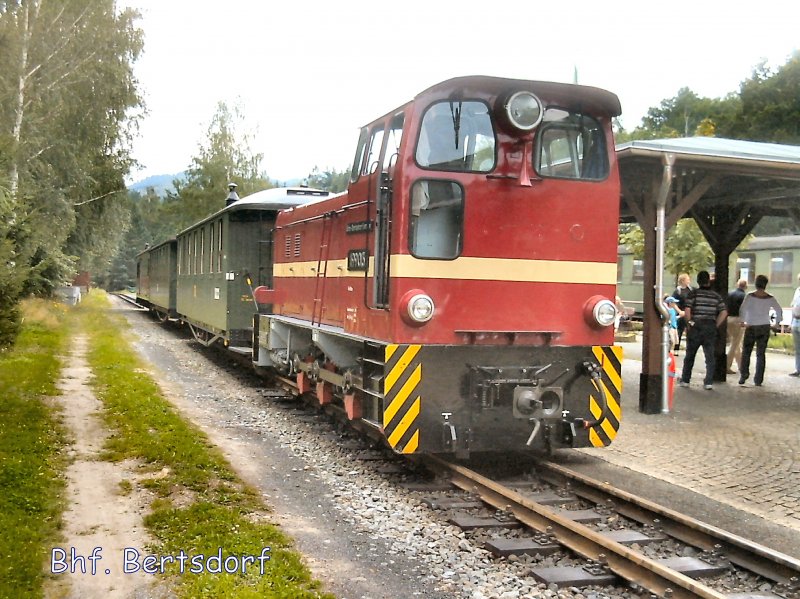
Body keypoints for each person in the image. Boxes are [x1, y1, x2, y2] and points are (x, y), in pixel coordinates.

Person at [679, 271, 727, 390]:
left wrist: (690, 323)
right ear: (708, 281)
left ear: (699, 281)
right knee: (710, 356)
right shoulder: (716, 296)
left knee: (690, 354)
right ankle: (708, 382)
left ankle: (685, 380)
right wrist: (716, 324)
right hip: (710, 327)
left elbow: (688, 310)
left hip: (696, 326)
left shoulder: (693, 294)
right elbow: (724, 312)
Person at [738, 274, 784, 387]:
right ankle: (758, 379)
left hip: (751, 326)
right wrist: (777, 323)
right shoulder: (770, 298)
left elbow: (743, 309)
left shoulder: (749, 296)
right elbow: (779, 310)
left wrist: (743, 321)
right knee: (761, 354)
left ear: (756, 283)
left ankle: (744, 375)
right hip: (764, 326)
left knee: (746, 352)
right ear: (765, 285)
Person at [725, 279, 748, 374]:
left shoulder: (730, 294)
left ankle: (741, 366)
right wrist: (744, 320)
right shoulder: (744, 296)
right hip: (738, 320)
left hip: (728, 319)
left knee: (736, 343)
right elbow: (744, 310)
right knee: (735, 343)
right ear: (745, 286)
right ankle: (726, 365)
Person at [672, 273, 693, 352]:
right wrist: (679, 311)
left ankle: (689, 350)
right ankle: (676, 349)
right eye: (687, 279)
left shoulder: (691, 290)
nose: (689, 280)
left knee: (690, 332)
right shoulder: (678, 291)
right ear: (683, 281)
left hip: (689, 314)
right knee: (679, 331)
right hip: (681, 314)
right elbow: (672, 302)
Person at [788, 273, 800, 377]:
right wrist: (791, 322)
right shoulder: (797, 291)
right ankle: (798, 369)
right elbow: (793, 306)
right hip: (796, 323)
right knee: (797, 348)